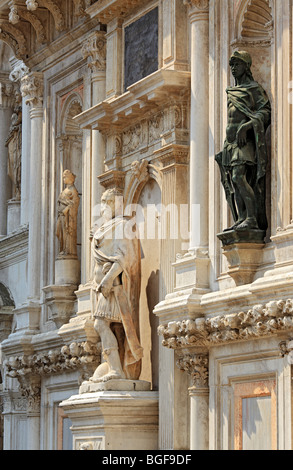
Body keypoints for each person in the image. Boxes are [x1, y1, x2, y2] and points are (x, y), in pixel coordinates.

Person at [89, 188, 143, 383]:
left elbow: (123, 258)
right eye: (102, 203)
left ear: (115, 204)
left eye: (106, 203)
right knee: (110, 328)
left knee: (101, 324)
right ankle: (114, 367)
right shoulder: (107, 227)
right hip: (104, 289)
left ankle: (117, 370)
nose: (103, 208)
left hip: (114, 288)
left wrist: (107, 280)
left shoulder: (122, 226)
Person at [215, 50, 271, 232]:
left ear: (246, 67)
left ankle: (252, 218)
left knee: (240, 177)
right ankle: (241, 218)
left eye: (237, 64)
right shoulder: (231, 91)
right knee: (234, 181)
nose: (233, 68)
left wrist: (246, 127)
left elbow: (265, 112)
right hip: (230, 143)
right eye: (231, 64)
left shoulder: (254, 89)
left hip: (244, 142)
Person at [56, 170, 80, 257]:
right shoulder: (65, 190)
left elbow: (75, 202)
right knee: (58, 232)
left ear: (70, 178)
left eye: (64, 177)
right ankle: (62, 249)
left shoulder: (73, 190)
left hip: (68, 216)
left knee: (67, 232)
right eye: (63, 177)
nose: (63, 179)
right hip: (61, 215)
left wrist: (67, 209)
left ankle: (67, 250)